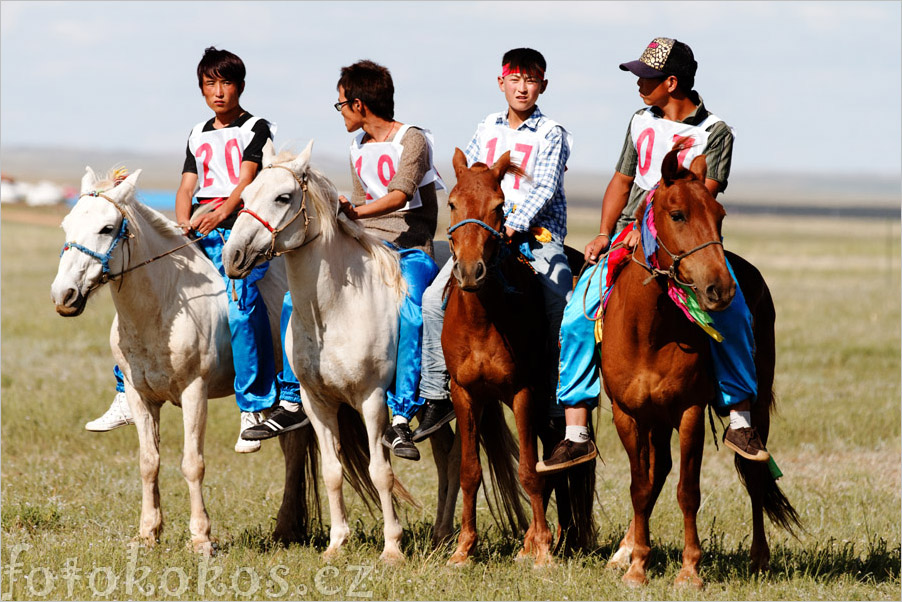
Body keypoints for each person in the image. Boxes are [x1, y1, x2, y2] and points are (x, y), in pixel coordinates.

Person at [539, 37, 767, 474]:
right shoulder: (641, 121)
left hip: (686, 238)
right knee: (577, 313)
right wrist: (608, 233)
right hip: (628, 237)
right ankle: (576, 432)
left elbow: (701, 201)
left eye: (647, 77)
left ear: (673, 82)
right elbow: (621, 182)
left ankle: (740, 419)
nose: (639, 84)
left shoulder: (715, 133)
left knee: (734, 311)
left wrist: (650, 231)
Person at [85, 47, 307, 453]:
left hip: (239, 229)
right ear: (202, 89)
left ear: (239, 86)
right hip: (197, 229)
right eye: (210, 84)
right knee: (139, 289)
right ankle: (125, 390)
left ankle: (254, 405)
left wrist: (221, 213)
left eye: (226, 83)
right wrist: (184, 222)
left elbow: (246, 182)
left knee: (243, 305)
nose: (218, 92)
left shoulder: (256, 128)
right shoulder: (198, 132)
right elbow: (187, 185)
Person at [266, 59, 441, 461]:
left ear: (359, 104)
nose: (340, 111)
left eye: (341, 103)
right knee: (296, 297)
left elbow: (398, 197)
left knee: (414, 310)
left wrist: (354, 214)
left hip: (411, 247)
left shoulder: (412, 139)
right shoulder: (358, 144)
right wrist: (347, 213)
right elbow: (363, 201)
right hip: (368, 243)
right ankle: (292, 399)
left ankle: (402, 415)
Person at [413, 47, 573, 444]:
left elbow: (545, 189)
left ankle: (556, 402)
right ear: (501, 83)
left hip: (536, 236)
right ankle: (436, 394)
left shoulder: (552, 134)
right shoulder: (487, 127)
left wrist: (511, 226)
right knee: (434, 299)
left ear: (543, 86)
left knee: (560, 303)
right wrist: (484, 228)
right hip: (482, 233)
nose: (523, 88)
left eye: (531, 80)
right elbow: (468, 177)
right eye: (515, 79)